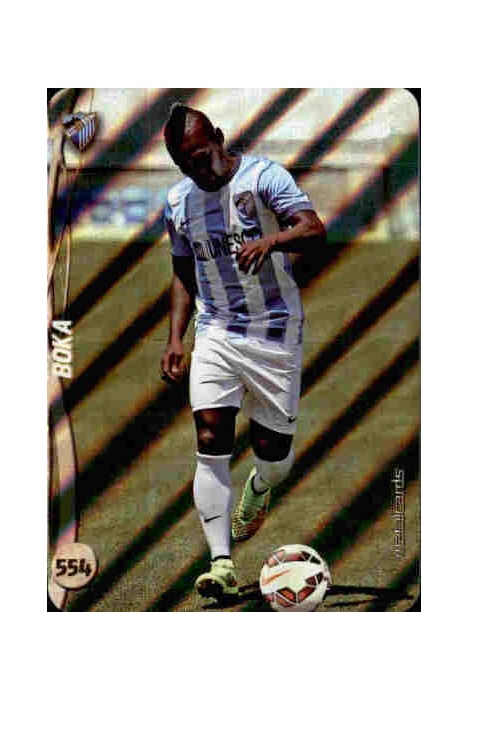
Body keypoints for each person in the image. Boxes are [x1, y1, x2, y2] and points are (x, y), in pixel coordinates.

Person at [160, 104, 326, 603]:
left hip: (275, 332)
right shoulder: (178, 202)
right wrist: (175, 337)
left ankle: (259, 487)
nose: (199, 169)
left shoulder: (263, 178)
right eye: (186, 164)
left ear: (219, 137)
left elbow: (314, 229)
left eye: (203, 156)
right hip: (216, 330)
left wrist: (271, 241)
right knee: (211, 436)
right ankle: (222, 564)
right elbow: (183, 270)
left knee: (273, 456)